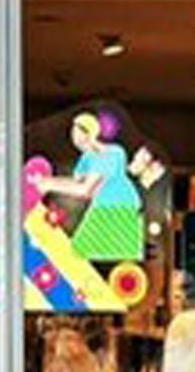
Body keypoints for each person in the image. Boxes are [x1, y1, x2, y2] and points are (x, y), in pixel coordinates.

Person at [37, 112, 144, 262]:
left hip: (120, 207)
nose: (74, 139)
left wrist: (49, 185)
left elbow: (85, 190)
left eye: (77, 134)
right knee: (80, 250)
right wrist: (48, 182)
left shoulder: (111, 154)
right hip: (103, 207)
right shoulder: (88, 157)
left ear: (90, 134)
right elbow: (76, 182)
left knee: (80, 251)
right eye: (73, 134)